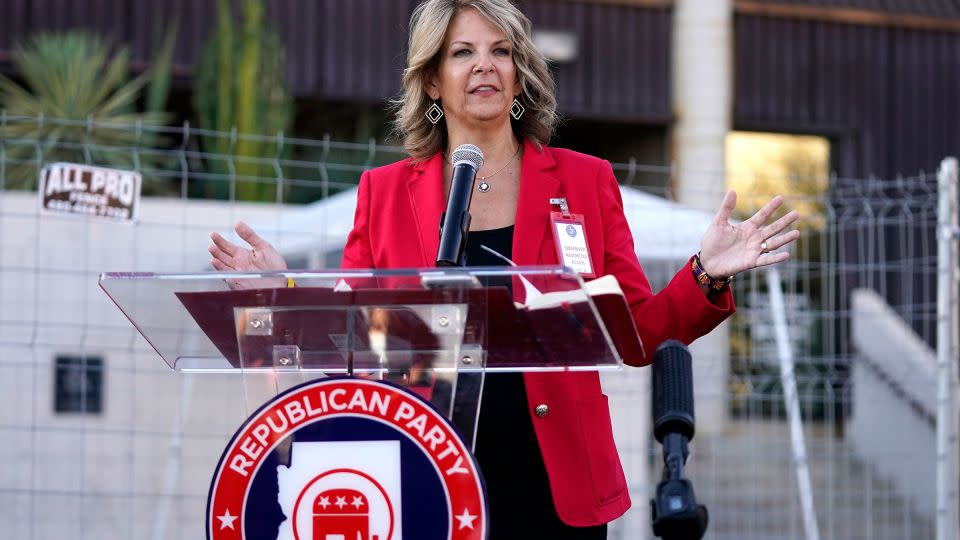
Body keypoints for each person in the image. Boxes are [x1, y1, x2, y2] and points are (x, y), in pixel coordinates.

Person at [208, 0, 800, 537]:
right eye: (462, 52)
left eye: (501, 51)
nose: (484, 66)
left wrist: (705, 273)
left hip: (554, 480)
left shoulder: (584, 181)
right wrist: (282, 293)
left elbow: (636, 332)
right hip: (425, 468)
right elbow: (354, 340)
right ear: (433, 81)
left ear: (520, 74)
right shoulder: (383, 192)